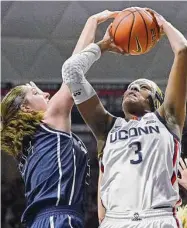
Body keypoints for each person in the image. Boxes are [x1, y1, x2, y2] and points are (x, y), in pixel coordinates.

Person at [62, 7, 187, 228]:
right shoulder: (107, 127)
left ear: (157, 100)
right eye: (130, 87)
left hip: (158, 219)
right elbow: (71, 71)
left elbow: (183, 50)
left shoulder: (167, 120)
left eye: (142, 87)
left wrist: (163, 24)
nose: (133, 88)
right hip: (115, 221)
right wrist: (103, 45)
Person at [1, 10, 120, 228]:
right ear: (26, 109)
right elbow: (72, 73)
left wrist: (91, 23)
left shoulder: (34, 139)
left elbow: (71, 71)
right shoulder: (48, 122)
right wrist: (96, 32)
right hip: (57, 219)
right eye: (36, 93)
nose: (46, 94)